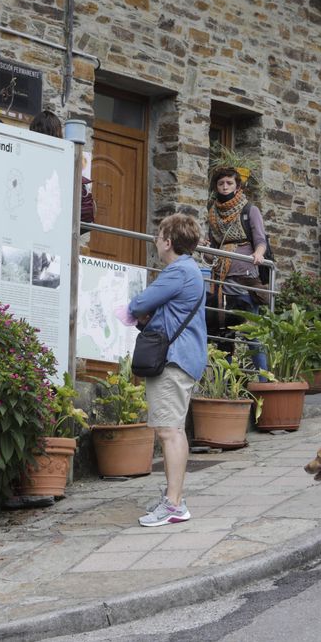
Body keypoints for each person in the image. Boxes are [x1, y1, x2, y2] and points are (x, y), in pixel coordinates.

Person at [128, 213, 207, 527]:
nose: (155, 241)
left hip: (173, 360)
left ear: (169, 241)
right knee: (175, 430)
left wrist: (140, 311)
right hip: (185, 358)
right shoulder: (191, 270)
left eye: (158, 236)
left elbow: (138, 304)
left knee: (168, 431)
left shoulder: (177, 272)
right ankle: (174, 498)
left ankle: (173, 505)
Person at [204, 166, 268, 371]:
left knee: (251, 334)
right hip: (221, 281)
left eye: (229, 183)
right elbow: (211, 254)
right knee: (224, 334)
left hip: (245, 279)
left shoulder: (250, 210)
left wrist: (258, 254)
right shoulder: (213, 213)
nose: (225, 187)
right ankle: (226, 384)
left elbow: (260, 240)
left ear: (237, 186)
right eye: (221, 183)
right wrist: (206, 249)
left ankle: (263, 379)